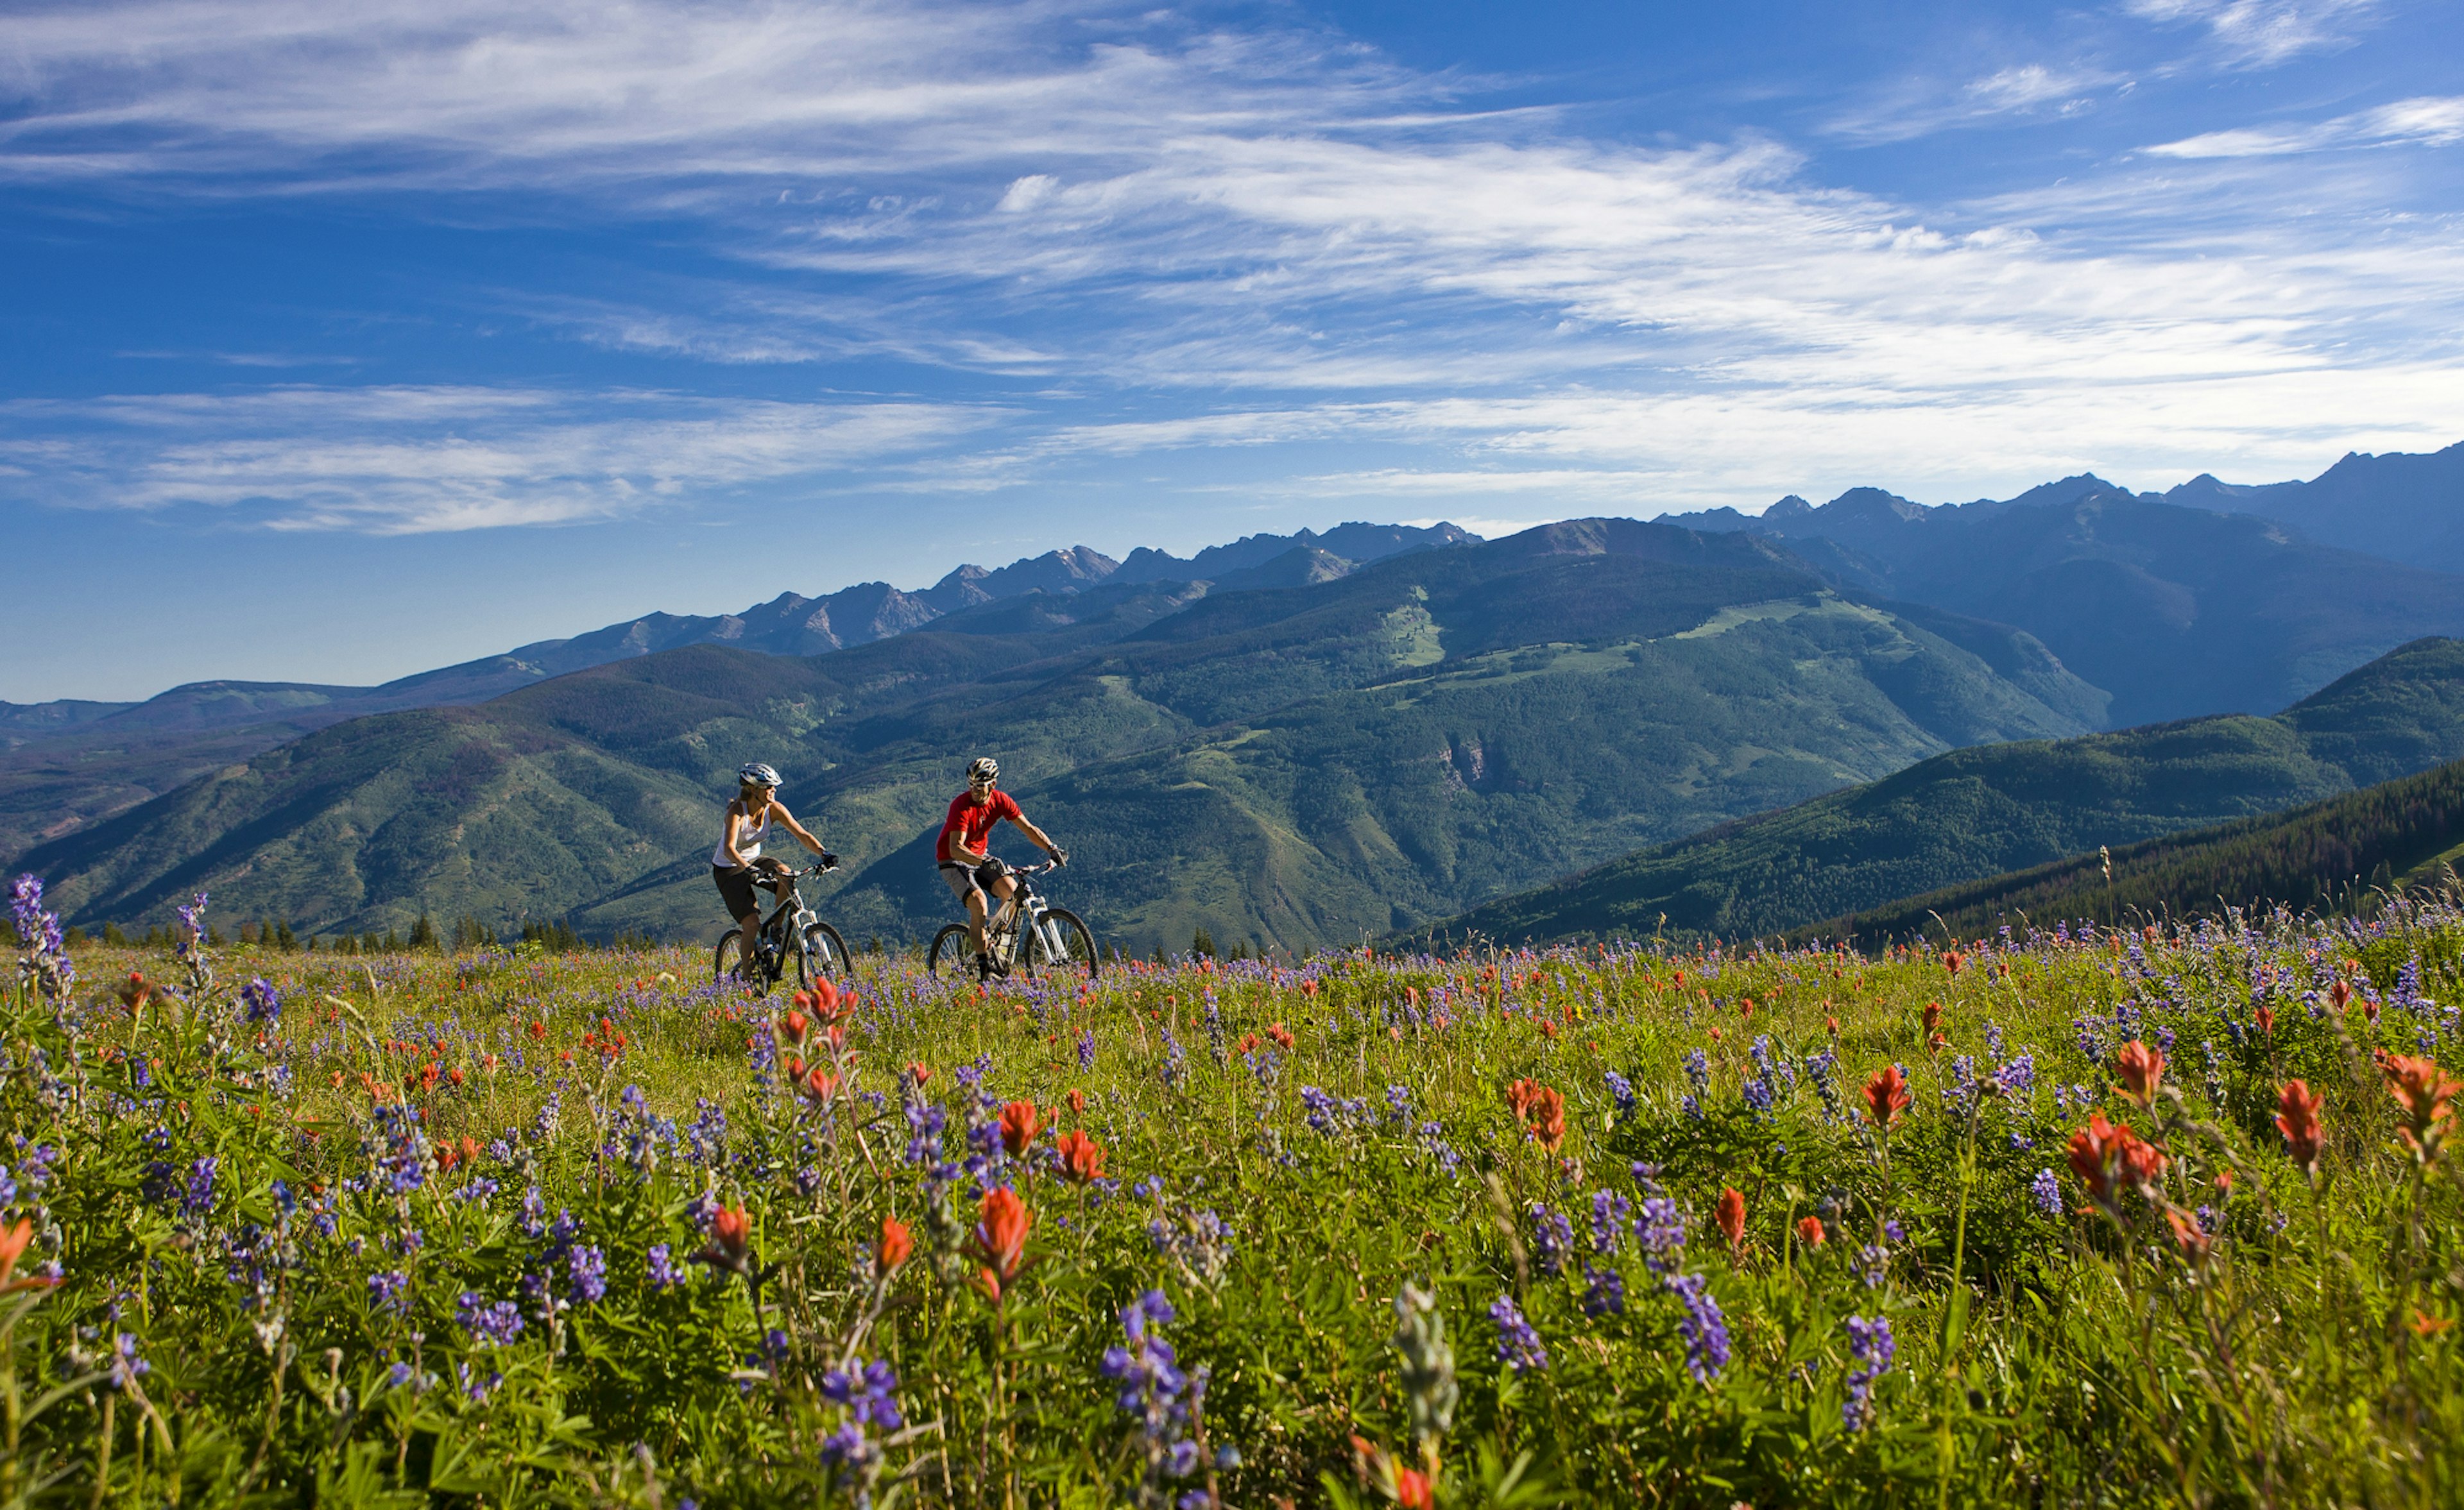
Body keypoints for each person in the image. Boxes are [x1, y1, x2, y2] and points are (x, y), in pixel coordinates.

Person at [937, 756, 1065, 978]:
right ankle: (984, 966)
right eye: (971, 786)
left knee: (1013, 893)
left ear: (993, 785)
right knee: (980, 904)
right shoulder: (961, 805)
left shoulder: (1001, 801)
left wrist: (1052, 849)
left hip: (980, 856)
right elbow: (956, 848)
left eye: (980, 787)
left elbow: (1028, 828)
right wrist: (982, 861)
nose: (974, 791)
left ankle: (998, 945)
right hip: (953, 860)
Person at [712, 762, 834, 974]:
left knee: (786, 874)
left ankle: (777, 931)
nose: (773, 791)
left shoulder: (774, 809)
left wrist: (824, 854)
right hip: (728, 868)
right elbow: (729, 849)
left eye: (774, 787)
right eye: (769, 787)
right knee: (751, 923)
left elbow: (802, 835)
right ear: (753, 790)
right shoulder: (736, 812)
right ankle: (748, 982)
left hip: (754, 860)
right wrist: (749, 869)